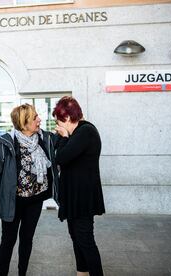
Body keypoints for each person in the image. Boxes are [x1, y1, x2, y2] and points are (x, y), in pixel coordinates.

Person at [0, 103, 59, 276]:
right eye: (35, 118)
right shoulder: (7, 142)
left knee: (27, 240)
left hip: (35, 201)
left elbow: (68, 139)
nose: (39, 120)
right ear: (24, 123)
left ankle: (22, 273)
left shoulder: (45, 138)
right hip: (13, 202)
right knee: (8, 241)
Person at [52, 96, 105, 276]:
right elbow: (57, 151)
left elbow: (61, 158)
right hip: (73, 196)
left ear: (67, 117)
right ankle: (82, 273)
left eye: (58, 120)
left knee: (85, 240)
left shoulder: (86, 131)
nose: (57, 125)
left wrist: (65, 137)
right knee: (76, 238)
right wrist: (64, 137)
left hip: (83, 197)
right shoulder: (75, 134)